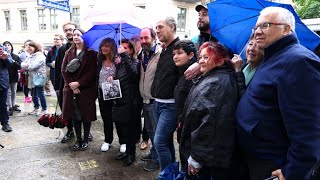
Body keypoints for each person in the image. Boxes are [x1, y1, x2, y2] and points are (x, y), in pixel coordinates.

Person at [236, 7, 320, 180]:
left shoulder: (299, 61)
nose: (257, 32)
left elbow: (308, 127)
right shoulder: (272, 57)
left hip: (273, 164)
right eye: (256, 27)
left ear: (286, 29)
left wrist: (293, 171)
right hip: (255, 157)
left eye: (265, 25)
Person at [179, 42, 238, 179]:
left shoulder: (217, 83)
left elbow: (209, 124)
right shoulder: (213, 77)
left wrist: (197, 157)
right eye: (200, 57)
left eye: (206, 57)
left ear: (220, 60)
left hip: (205, 158)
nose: (201, 61)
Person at [151, 16, 180, 172]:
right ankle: (172, 173)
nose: (157, 31)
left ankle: (166, 175)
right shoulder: (165, 49)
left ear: (172, 27)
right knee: (166, 141)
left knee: (159, 142)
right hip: (157, 102)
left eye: (160, 27)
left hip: (170, 105)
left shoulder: (181, 47)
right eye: (156, 28)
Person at [61, 28, 97, 151]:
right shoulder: (69, 52)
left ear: (84, 37)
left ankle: (86, 139)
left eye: (78, 34)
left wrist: (79, 83)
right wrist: (72, 84)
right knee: (75, 115)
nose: (75, 37)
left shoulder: (91, 53)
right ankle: (78, 139)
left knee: (86, 116)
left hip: (86, 90)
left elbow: (92, 72)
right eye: (74, 35)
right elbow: (64, 70)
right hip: (71, 89)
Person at [112, 39, 140, 166]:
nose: (122, 49)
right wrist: (112, 78)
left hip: (131, 102)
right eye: (121, 47)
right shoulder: (121, 64)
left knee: (130, 130)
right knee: (123, 128)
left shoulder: (135, 62)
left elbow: (134, 75)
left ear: (131, 50)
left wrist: (124, 56)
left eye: (125, 48)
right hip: (121, 101)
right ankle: (127, 151)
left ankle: (131, 155)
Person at [138, 27, 162, 171]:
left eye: (146, 38)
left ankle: (157, 159)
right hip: (145, 100)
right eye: (141, 38)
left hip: (155, 101)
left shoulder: (160, 53)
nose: (143, 41)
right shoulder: (142, 54)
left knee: (157, 134)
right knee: (150, 132)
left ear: (153, 38)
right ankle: (153, 154)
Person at [172, 40, 197, 172]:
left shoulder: (193, 75)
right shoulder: (183, 72)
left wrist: (183, 121)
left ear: (191, 55)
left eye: (180, 53)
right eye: (174, 53)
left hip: (189, 127)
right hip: (182, 123)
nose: (175, 56)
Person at [97, 38, 124, 153]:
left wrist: (115, 77)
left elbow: (123, 76)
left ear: (112, 47)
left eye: (107, 46)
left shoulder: (118, 61)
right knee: (106, 118)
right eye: (103, 46)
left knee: (118, 118)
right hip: (102, 94)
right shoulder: (99, 60)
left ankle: (123, 141)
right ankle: (108, 140)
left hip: (115, 93)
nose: (104, 48)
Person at [56, 22, 79, 143]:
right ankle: (70, 130)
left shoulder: (83, 47)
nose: (68, 32)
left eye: (70, 30)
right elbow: (59, 70)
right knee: (66, 108)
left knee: (81, 108)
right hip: (64, 84)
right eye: (66, 31)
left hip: (80, 84)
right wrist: (57, 86)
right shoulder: (62, 49)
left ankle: (85, 131)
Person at [21, 40, 48, 116]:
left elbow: (33, 66)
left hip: (39, 78)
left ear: (35, 47)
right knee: (33, 94)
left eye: (30, 46)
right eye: (27, 46)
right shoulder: (30, 55)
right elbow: (22, 64)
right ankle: (36, 108)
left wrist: (27, 66)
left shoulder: (40, 55)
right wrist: (27, 65)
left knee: (40, 94)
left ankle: (44, 109)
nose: (28, 48)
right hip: (32, 78)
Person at [3, 41, 22, 116]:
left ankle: (13, 105)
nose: (7, 46)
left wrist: (13, 61)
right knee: (8, 92)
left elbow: (19, 66)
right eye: (5, 45)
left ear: (11, 47)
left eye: (8, 45)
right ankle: (9, 107)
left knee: (14, 91)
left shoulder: (15, 56)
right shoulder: (2, 56)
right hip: (5, 77)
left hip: (14, 76)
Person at [0, 44, 13, 132]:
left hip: (2, 82)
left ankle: (5, 123)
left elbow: (11, 64)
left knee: (3, 105)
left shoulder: (3, 48)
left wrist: (5, 58)